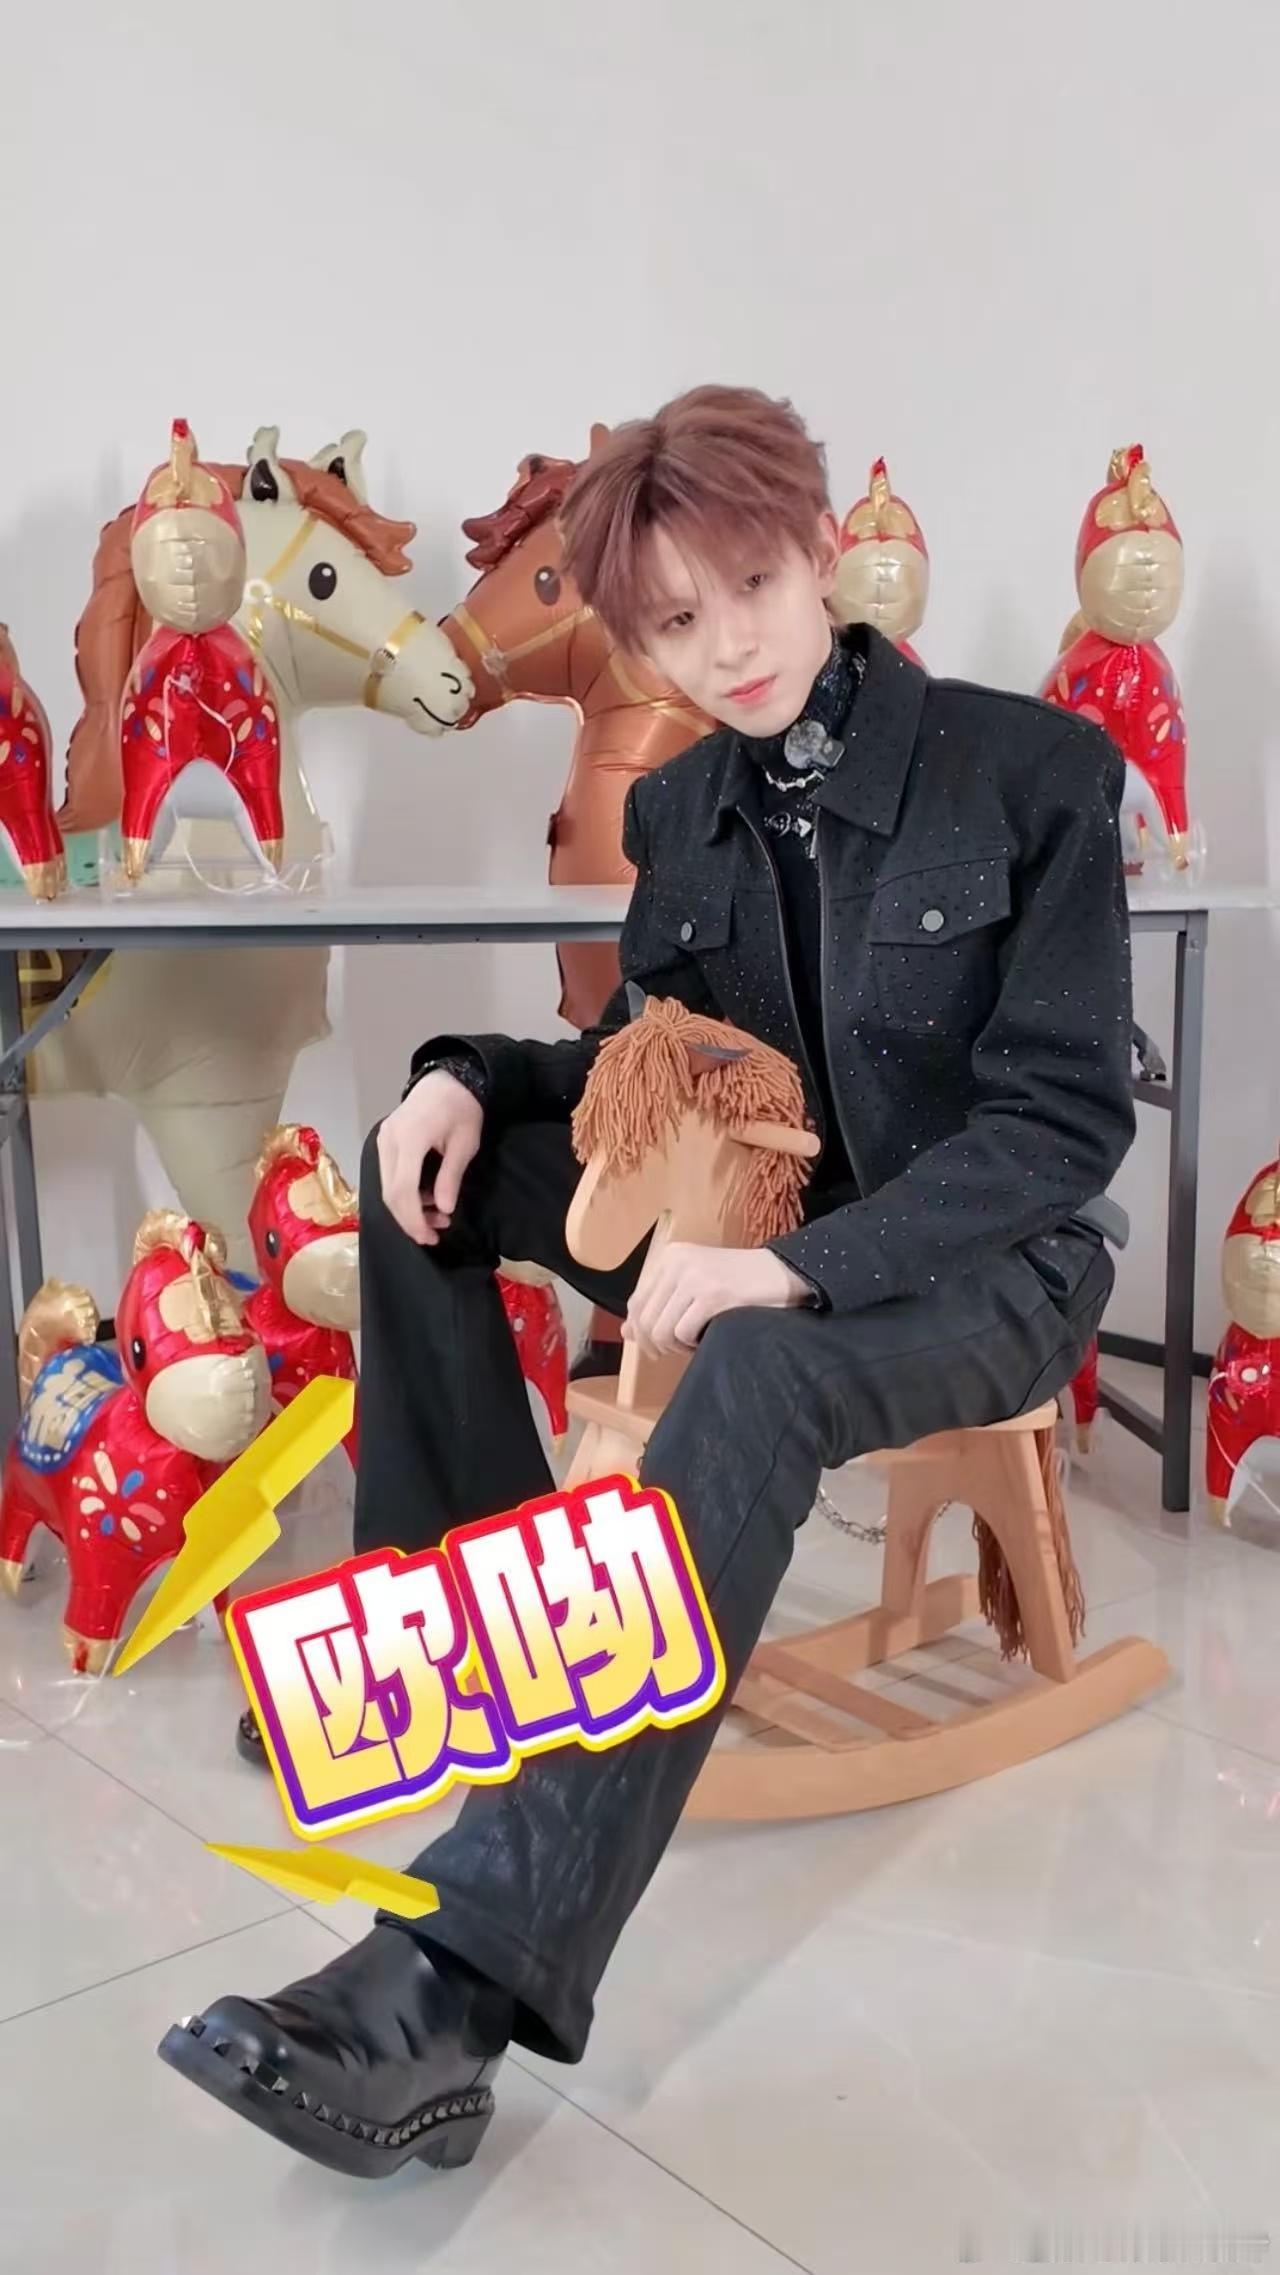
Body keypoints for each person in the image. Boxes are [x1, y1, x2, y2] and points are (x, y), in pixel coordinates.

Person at [160, 384, 1135, 2180]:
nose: (727, 647)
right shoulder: (685, 803)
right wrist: (467, 1074)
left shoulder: (1032, 771)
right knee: (424, 1171)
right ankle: (460, 1640)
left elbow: (1061, 1126)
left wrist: (796, 1270)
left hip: (990, 1264)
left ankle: (455, 1987)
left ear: (820, 551)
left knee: (762, 1370)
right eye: (675, 622)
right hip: (761, 1208)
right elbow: (646, 1056)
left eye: (750, 588)